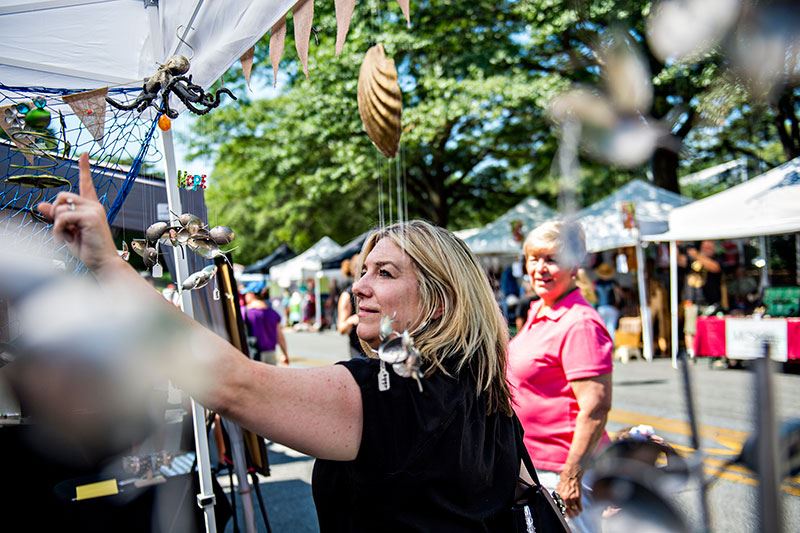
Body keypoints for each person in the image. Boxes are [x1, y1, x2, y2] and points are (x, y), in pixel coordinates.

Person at [38, 160, 519, 531]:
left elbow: (230, 385)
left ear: (438, 302)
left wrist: (108, 266)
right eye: (363, 271)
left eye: (385, 273)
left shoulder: (392, 392)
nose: (359, 287)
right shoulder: (488, 395)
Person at [507, 220, 613, 533]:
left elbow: (595, 408)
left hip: (563, 472)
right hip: (535, 466)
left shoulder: (580, 323)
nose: (540, 268)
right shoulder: (540, 310)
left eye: (551, 260)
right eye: (533, 259)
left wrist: (572, 475)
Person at [241, 282, 289, 366]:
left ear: (252, 294)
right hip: (271, 355)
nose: (245, 296)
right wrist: (285, 354)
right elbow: (280, 337)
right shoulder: (273, 313)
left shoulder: (244, 312)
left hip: (253, 354)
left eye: (246, 294)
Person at [337, 255, 366, 358]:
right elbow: (341, 328)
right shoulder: (347, 295)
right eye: (364, 270)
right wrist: (353, 319)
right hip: (358, 351)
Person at [593, 262, 621, 341]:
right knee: (611, 327)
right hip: (611, 307)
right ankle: (611, 344)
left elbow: (594, 297)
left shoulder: (596, 283)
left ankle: (603, 342)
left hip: (600, 308)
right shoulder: (613, 283)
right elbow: (619, 295)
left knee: (602, 327)